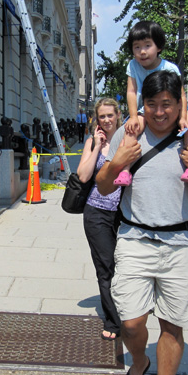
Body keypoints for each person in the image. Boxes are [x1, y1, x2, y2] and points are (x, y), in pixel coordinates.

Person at [96, 70, 188, 375]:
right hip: (134, 238)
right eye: (152, 104)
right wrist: (118, 160)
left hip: (179, 244)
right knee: (132, 322)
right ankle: (138, 363)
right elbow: (104, 188)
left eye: (167, 104)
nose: (159, 112)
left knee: (172, 323)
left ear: (180, 103)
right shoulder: (129, 132)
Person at [114, 21, 188, 188]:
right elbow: (131, 92)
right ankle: (125, 169)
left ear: (159, 47)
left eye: (147, 45)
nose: (142, 52)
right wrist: (132, 116)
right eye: (137, 47)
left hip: (173, 107)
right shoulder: (133, 65)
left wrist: (182, 117)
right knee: (132, 128)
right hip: (146, 108)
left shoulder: (170, 67)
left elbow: (181, 94)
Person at [77, 98, 123, 341]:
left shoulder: (128, 141)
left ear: (118, 115)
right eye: (101, 116)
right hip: (96, 212)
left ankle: (127, 311)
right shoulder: (92, 142)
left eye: (110, 115)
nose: (106, 120)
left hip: (125, 214)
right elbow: (83, 177)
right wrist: (96, 146)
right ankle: (113, 321)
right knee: (106, 267)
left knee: (125, 267)